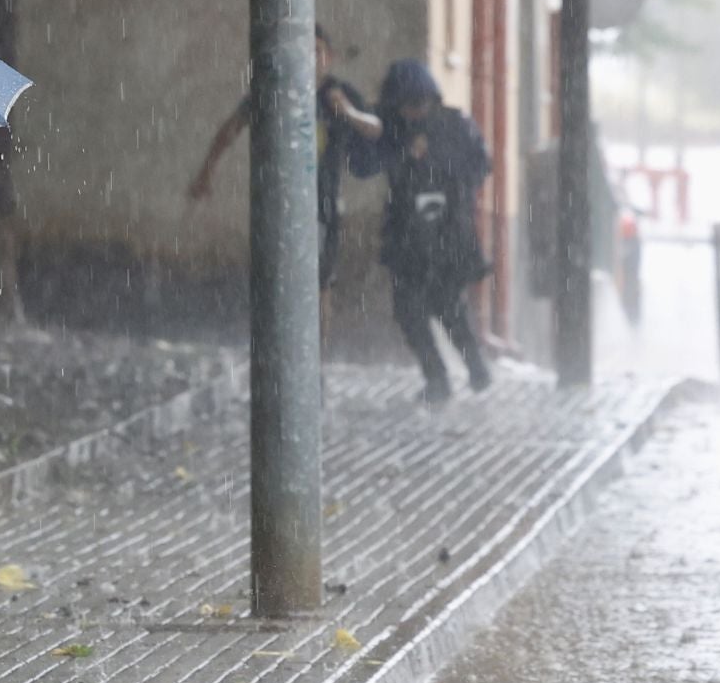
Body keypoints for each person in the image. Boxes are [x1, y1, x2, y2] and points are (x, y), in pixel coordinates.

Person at [186, 25, 379, 341]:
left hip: (322, 206)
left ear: (328, 58)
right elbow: (231, 129)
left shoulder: (337, 93)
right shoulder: (274, 90)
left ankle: (313, 366)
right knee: (278, 279)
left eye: (316, 51)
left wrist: (347, 112)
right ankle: (280, 354)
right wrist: (206, 172)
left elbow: (375, 129)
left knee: (319, 284)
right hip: (278, 206)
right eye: (303, 51)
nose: (310, 59)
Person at [347, 59, 493, 405]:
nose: (414, 113)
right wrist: (400, 151)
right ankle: (440, 378)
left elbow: (480, 165)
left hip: (448, 233)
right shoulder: (391, 127)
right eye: (407, 106)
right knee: (410, 310)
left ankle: (473, 369)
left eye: (419, 105)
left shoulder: (455, 125)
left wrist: (438, 164)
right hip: (408, 236)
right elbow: (363, 164)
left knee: (447, 305)